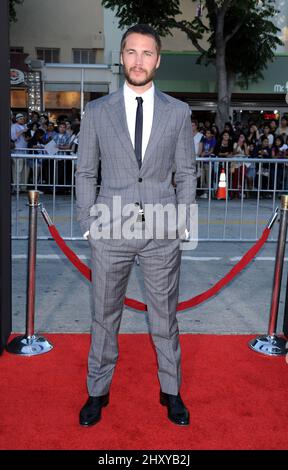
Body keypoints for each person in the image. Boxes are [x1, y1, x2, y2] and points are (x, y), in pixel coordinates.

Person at [76, 24, 196, 428]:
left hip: (162, 230)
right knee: (104, 316)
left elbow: (187, 172)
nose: (139, 61)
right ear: (121, 57)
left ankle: (172, 390)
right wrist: (89, 223)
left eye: (147, 53)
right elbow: (85, 172)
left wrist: (182, 221)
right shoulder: (96, 112)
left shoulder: (179, 112)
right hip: (109, 228)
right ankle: (97, 391)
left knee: (165, 318)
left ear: (158, 60)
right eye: (131, 52)